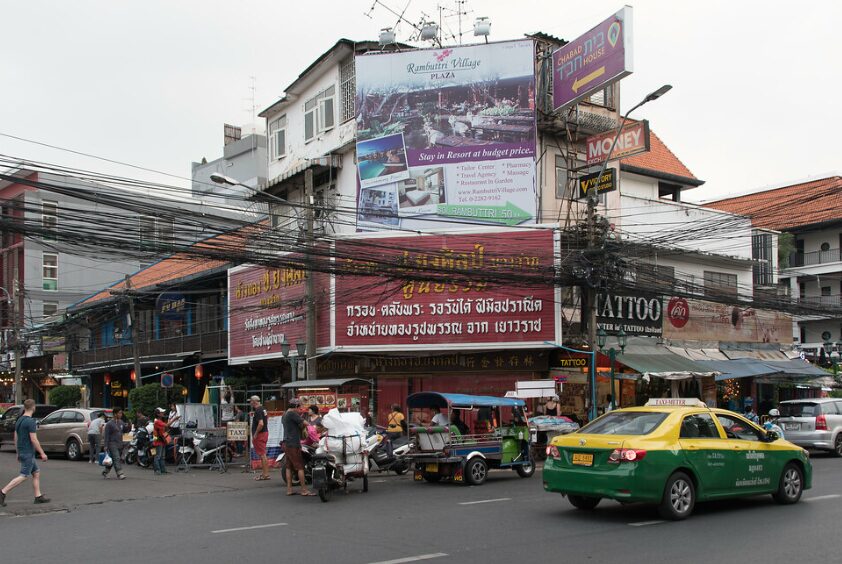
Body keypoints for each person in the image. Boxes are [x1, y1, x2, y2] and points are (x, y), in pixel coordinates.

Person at [0, 399, 50, 506]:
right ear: (33, 407)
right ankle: (2, 492)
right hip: (28, 452)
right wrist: (42, 453)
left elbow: (16, 436)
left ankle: (38, 496)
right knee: (23, 476)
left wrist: (18, 452)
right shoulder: (30, 421)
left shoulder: (19, 420)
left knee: (36, 473)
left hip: (23, 451)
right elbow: (34, 439)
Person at [281, 398, 313, 496]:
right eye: (300, 407)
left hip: (286, 442)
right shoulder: (292, 414)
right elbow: (305, 423)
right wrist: (312, 427)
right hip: (293, 443)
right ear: (295, 406)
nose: (301, 408)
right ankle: (304, 490)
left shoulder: (285, 414)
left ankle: (289, 490)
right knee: (300, 467)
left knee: (289, 467)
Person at [102, 407, 128, 480]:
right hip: (112, 443)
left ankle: (105, 472)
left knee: (114, 460)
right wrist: (105, 446)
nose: (121, 414)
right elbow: (106, 435)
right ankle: (120, 473)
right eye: (119, 413)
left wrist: (128, 425)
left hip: (120, 443)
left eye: (121, 413)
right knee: (117, 458)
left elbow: (125, 431)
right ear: (115, 414)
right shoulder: (109, 424)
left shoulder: (121, 422)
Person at [249, 396, 270, 481]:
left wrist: (256, 433)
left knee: (262, 454)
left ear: (254, 402)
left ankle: (266, 474)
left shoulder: (258, 410)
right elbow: (265, 420)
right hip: (264, 432)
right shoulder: (263, 409)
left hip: (260, 434)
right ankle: (265, 473)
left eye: (250, 401)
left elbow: (261, 423)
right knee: (263, 454)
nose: (250, 403)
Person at [152, 408, 169, 475]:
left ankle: (162, 470)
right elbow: (166, 425)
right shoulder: (157, 421)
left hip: (162, 440)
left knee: (161, 456)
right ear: (158, 414)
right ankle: (157, 470)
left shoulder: (160, 420)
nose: (163, 413)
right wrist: (175, 418)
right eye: (161, 412)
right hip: (158, 441)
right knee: (158, 456)